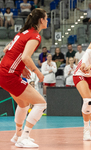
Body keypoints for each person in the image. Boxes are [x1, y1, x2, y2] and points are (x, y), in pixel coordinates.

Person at [0, 8, 47, 148]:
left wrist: (23, 68)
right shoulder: (35, 36)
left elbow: (6, 50)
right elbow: (25, 57)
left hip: (4, 73)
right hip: (10, 75)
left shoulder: (22, 33)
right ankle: (24, 137)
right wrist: (37, 72)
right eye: (46, 18)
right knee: (41, 103)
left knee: (23, 104)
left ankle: (18, 135)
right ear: (41, 20)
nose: (47, 21)